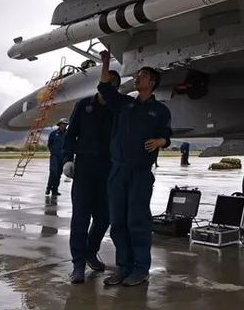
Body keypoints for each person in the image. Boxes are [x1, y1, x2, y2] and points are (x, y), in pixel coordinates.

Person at [98, 51, 172, 287]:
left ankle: (141, 268)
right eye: (138, 75)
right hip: (118, 171)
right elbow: (105, 88)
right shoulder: (125, 103)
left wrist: (160, 142)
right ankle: (123, 267)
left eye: (143, 76)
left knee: (137, 220)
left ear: (152, 83)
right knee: (118, 221)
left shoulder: (160, 111)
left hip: (140, 172)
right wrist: (106, 63)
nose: (138, 78)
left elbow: (167, 136)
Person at [61, 83, 115, 283]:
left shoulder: (116, 108)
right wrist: (67, 159)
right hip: (84, 169)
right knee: (80, 219)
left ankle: (91, 252)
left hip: (108, 169)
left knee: (104, 218)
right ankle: (78, 265)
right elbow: (70, 134)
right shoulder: (83, 105)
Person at [46, 118, 68, 197]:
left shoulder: (67, 134)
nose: (64, 125)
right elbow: (49, 144)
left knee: (59, 173)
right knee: (53, 172)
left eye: (65, 124)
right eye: (63, 124)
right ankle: (48, 188)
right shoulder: (54, 133)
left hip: (63, 157)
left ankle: (55, 190)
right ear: (60, 124)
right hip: (55, 156)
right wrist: (53, 151)